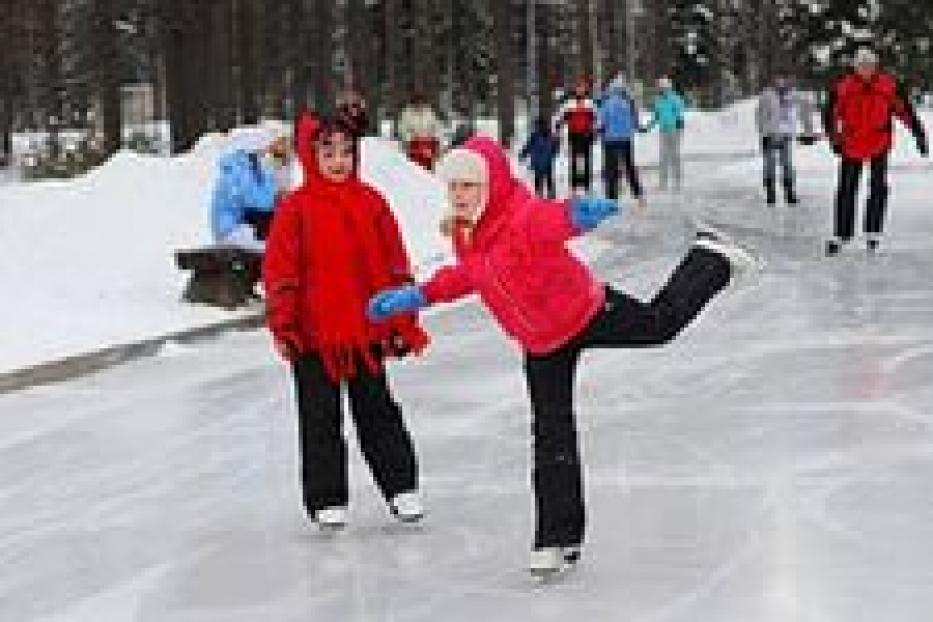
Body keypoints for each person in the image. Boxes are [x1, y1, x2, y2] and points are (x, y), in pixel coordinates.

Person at [365, 136, 762, 576]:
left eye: (468, 186)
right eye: (453, 186)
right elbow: (466, 277)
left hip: (585, 312)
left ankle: (711, 259)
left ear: (492, 184)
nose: (459, 195)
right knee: (552, 435)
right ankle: (557, 538)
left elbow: (552, 221)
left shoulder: (520, 217)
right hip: (540, 343)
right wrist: (418, 294)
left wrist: (578, 214)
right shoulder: (467, 233)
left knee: (660, 324)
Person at [263, 111, 431, 531]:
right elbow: (280, 271)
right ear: (309, 156)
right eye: (328, 153)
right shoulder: (295, 209)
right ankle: (327, 497)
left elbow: (394, 262)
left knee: (377, 410)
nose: (339, 161)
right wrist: (284, 324)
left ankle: (400, 486)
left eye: (346, 152)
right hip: (313, 333)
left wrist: (401, 316)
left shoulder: (371, 201)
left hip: (365, 329)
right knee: (319, 417)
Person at [822, 47, 928, 255]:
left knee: (878, 188)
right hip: (851, 144)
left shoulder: (888, 85)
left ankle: (873, 231)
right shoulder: (844, 87)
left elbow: (905, 111)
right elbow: (830, 114)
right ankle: (842, 233)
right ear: (855, 67)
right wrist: (834, 139)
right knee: (846, 189)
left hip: (879, 142)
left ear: (875, 66)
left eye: (869, 65)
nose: (866, 69)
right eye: (862, 65)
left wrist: (919, 135)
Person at [210, 126, 291, 251]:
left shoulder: (248, 168)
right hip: (232, 231)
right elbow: (261, 201)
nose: (266, 154)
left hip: (243, 224)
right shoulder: (238, 169)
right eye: (263, 151)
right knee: (276, 217)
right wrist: (272, 177)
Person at [755, 69, 814, 206]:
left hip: (786, 135)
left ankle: (790, 193)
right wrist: (763, 133)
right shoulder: (767, 95)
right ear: (774, 80)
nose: (781, 82)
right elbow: (760, 115)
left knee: (787, 164)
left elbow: (806, 107)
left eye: (784, 79)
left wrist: (808, 130)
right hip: (770, 135)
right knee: (769, 165)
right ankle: (770, 193)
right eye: (778, 79)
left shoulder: (793, 95)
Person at [597, 73, 646, 208]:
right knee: (629, 167)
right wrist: (637, 127)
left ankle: (611, 200)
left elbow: (601, 121)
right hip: (625, 139)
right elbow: (635, 120)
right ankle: (639, 195)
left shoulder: (606, 103)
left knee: (611, 169)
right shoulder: (629, 102)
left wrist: (598, 130)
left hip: (610, 140)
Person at [643, 76, 687, 192]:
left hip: (674, 130)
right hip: (663, 130)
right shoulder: (659, 100)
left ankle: (677, 182)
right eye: (659, 88)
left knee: (675, 156)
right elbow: (656, 116)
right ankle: (663, 183)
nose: (660, 90)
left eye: (662, 88)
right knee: (663, 157)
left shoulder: (675, 99)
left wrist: (679, 122)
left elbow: (680, 111)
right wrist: (648, 126)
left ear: (667, 88)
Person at [555, 77, 597, 192]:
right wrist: (558, 126)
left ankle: (587, 184)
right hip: (573, 134)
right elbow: (562, 117)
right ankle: (573, 185)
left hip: (586, 134)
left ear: (585, 89)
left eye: (582, 88)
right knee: (573, 159)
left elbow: (595, 118)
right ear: (575, 89)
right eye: (578, 88)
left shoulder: (590, 102)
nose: (580, 90)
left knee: (587, 160)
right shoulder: (569, 103)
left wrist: (595, 131)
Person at [398, 92, 444, 170]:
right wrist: (411, 138)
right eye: (417, 103)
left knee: (432, 158)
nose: (419, 105)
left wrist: (435, 136)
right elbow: (403, 129)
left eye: (421, 103)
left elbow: (437, 127)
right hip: (414, 144)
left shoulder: (429, 112)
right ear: (413, 104)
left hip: (429, 143)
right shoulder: (406, 113)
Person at [519, 117, 560, 199]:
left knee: (545, 178)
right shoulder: (536, 136)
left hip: (543, 161)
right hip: (541, 161)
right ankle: (542, 194)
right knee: (541, 178)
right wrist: (523, 154)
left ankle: (548, 193)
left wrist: (523, 154)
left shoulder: (547, 136)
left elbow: (555, 147)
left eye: (538, 126)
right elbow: (528, 146)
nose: (538, 128)